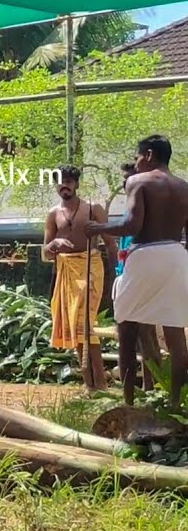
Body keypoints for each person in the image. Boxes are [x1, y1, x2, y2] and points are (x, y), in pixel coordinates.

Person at [88, 135, 188, 409]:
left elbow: (132, 225)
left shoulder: (138, 181)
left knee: (127, 329)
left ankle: (129, 405)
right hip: (177, 256)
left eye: (137, 157)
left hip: (145, 256)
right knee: (175, 332)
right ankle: (176, 405)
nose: (136, 163)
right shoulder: (184, 187)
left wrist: (98, 228)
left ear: (149, 155)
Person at [43, 165, 115, 391]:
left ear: (76, 184)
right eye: (60, 182)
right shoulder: (54, 214)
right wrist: (54, 244)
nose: (64, 185)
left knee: (84, 322)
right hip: (66, 271)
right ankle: (89, 383)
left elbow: (111, 244)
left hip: (90, 267)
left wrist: (119, 275)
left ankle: (100, 383)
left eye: (69, 181)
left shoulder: (94, 209)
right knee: (75, 324)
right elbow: (45, 252)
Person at [114, 163, 163, 393]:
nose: (126, 183)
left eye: (130, 178)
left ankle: (153, 388)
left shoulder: (146, 211)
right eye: (125, 179)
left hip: (142, 281)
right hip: (125, 277)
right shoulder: (129, 208)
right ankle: (135, 390)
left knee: (146, 336)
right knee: (127, 336)